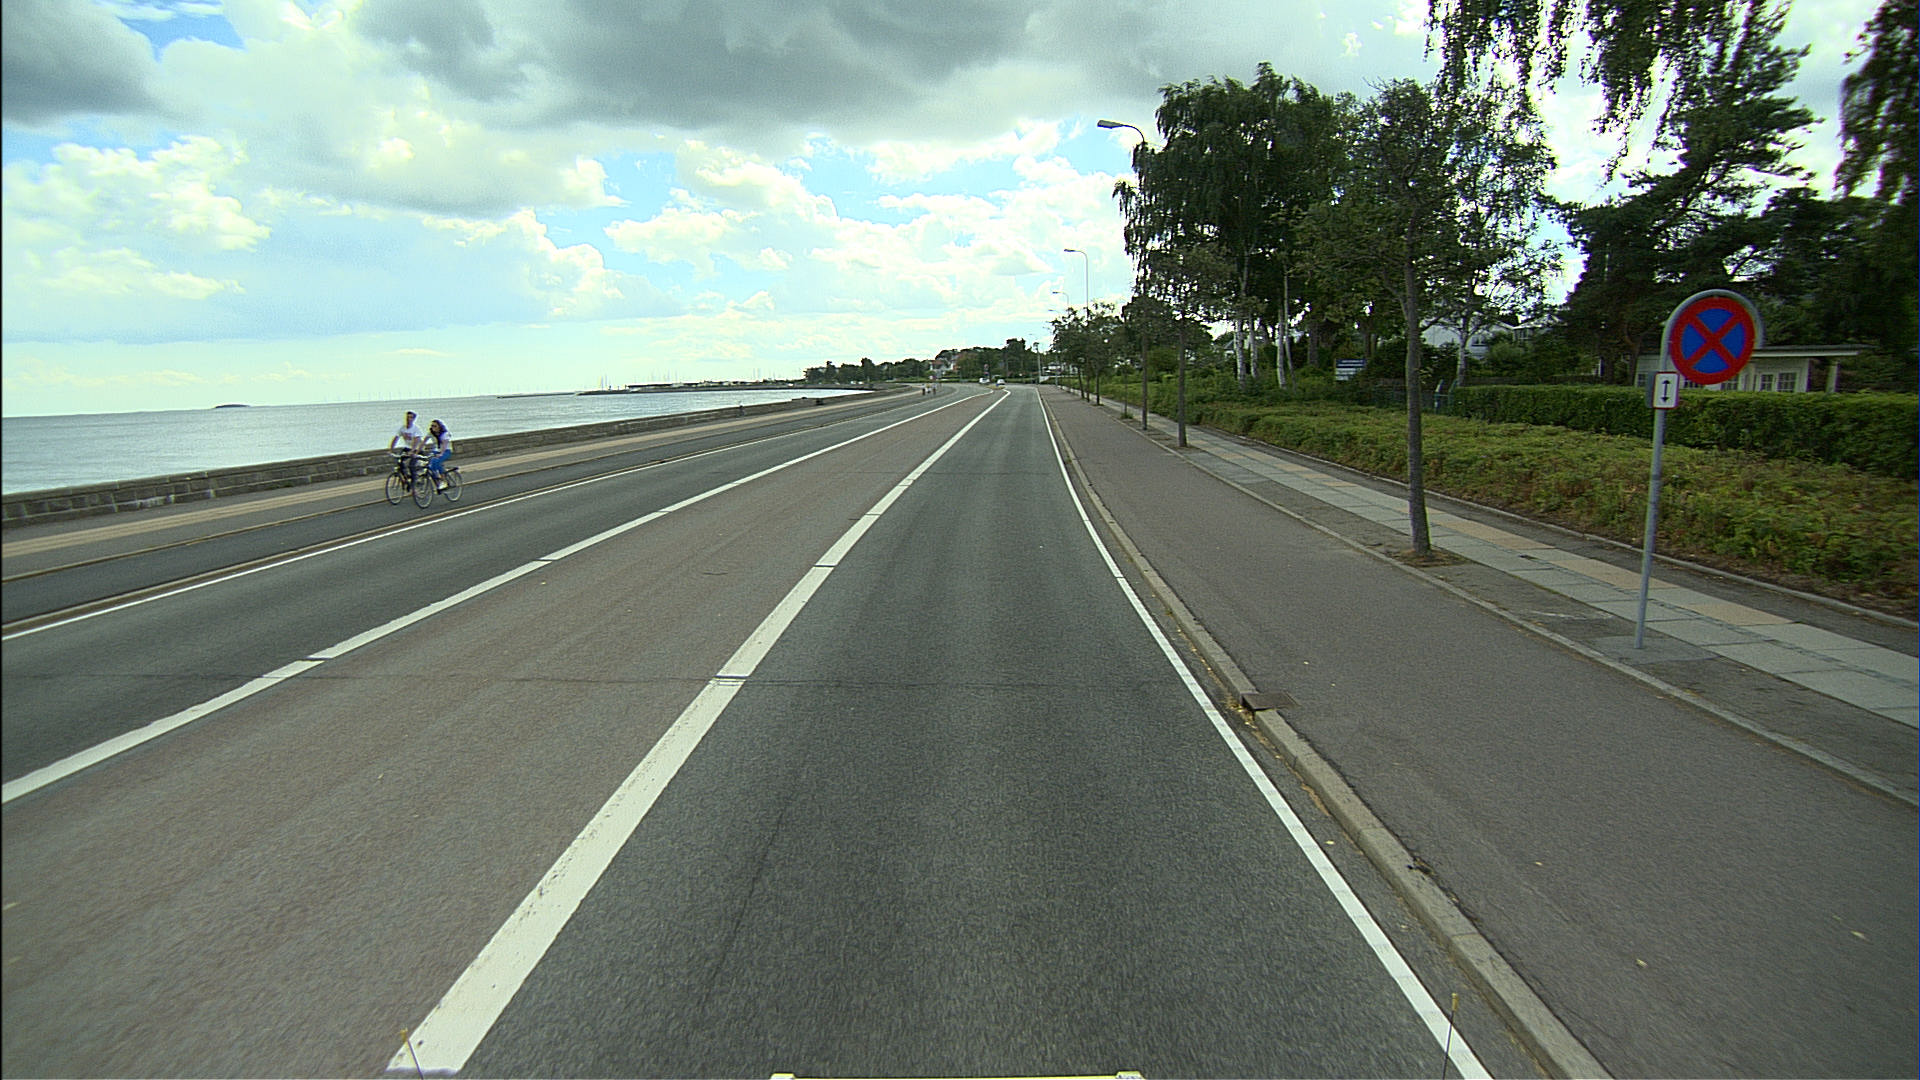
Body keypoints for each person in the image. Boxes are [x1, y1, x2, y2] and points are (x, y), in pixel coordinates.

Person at [389, 410, 425, 486]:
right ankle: (405, 478)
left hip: (417, 449)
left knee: (411, 465)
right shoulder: (402, 428)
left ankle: (414, 484)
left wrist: (412, 451)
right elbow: (396, 438)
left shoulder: (415, 429)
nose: (408, 419)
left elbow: (416, 440)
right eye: (407, 417)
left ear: (414, 419)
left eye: (411, 417)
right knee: (400, 462)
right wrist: (391, 450)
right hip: (407, 448)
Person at [424, 419, 453, 491]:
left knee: (437, 462)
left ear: (439, 427)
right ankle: (437, 481)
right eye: (432, 426)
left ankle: (443, 481)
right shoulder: (431, 433)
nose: (433, 427)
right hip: (436, 450)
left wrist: (441, 454)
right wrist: (416, 452)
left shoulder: (444, 434)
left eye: (435, 426)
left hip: (446, 451)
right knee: (430, 466)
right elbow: (423, 442)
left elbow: (444, 445)